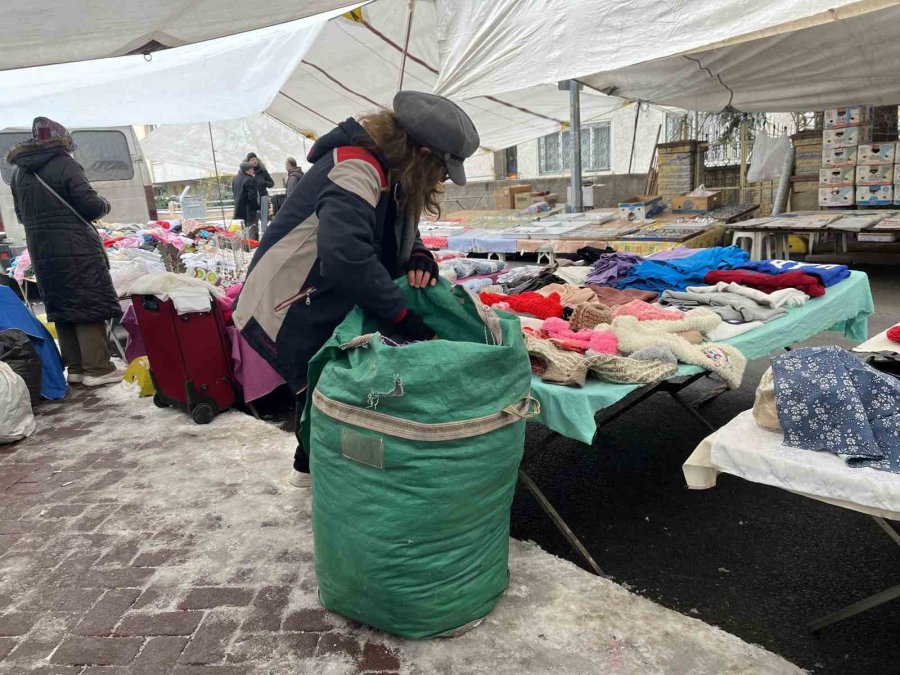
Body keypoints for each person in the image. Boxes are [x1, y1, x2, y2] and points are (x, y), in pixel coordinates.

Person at [233, 91, 479, 488]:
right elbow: (348, 258)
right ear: (422, 154)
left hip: (321, 291)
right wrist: (407, 318)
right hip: (290, 301)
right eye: (442, 170)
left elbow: (394, 225)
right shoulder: (355, 168)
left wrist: (418, 255)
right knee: (322, 385)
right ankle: (324, 481)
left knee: (328, 385)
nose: (440, 180)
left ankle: (316, 472)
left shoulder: (388, 170)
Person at [7, 117, 123, 387]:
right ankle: (98, 368)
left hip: (41, 248)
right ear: (62, 139)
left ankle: (75, 368)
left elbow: (22, 215)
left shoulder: (18, 172)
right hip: (76, 246)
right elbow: (90, 206)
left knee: (61, 303)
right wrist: (104, 204)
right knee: (88, 301)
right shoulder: (65, 164)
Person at [246, 152, 274, 234]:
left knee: (264, 221)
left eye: (255, 159)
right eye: (252, 160)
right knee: (253, 223)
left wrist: (263, 182)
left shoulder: (262, 171)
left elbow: (271, 184)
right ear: (248, 162)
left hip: (263, 198)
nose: (254, 161)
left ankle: (266, 236)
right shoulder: (245, 172)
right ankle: (254, 238)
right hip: (252, 200)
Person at [231, 161, 260, 239]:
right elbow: (252, 197)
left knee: (243, 232)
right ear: (247, 170)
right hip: (249, 211)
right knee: (252, 231)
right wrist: (257, 207)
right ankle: (252, 245)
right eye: (252, 169)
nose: (253, 171)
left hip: (239, 209)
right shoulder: (250, 179)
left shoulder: (235, 179)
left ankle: (245, 245)